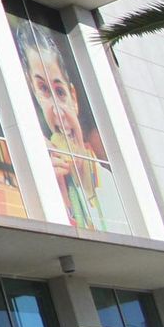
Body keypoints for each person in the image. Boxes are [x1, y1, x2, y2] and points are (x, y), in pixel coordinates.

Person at [14, 23, 118, 230]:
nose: (59, 112)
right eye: (43, 89)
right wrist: (58, 192)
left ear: (74, 97)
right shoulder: (48, 182)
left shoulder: (112, 187)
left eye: (60, 92)